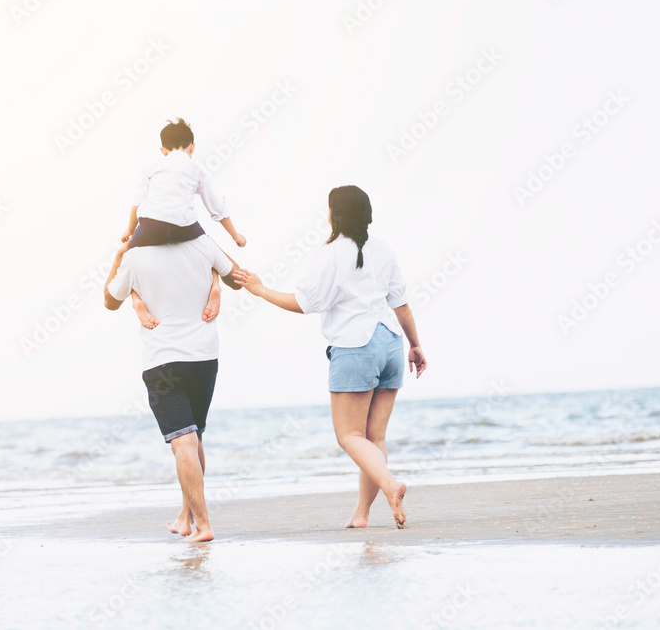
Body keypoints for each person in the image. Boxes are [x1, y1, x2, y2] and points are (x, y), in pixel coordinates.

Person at [234, 185, 427, 530]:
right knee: (374, 437)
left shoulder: (331, 253)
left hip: (356, 347)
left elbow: (305, 303)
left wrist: (260, 289)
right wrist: (415, 344)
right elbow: (402, 304)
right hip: (392, 343)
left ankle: (390, 486)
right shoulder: (383, 249)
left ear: (333, 215)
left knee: (349, 435)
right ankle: (362, 515)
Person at [104, 234, 241, 542]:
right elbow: (237, 275)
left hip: (164, 361)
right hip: (204, 358)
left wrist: (120, 260)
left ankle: (204, 526)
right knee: (194, 440)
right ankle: (186, 518)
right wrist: (216, 284)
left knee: (183, 444)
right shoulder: (202, 243)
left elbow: (109, 300)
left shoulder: (136, 257)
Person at [120, 118, 246, 331]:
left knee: (129, 262)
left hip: (152, 225)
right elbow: (216, 208)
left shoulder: (151, 167)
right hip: (184, 227)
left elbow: (137, 204)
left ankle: (136, 301)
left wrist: (130, 230)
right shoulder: (196, 168)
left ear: (163, 150)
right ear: (192, 147)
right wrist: (236, 236)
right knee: (211, 254)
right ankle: (215, 287)